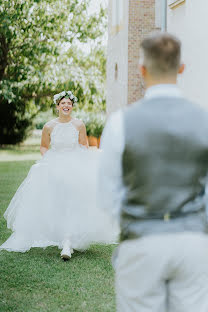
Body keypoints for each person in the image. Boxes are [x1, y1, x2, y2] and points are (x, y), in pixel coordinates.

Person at [99, 32, 208, 311]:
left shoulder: (120, 123)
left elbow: (107, 193)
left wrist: (133, 223)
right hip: (194, 245)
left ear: (141, 69)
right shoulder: (204, 121)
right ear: (181, 68)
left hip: (141, 242)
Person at [0, 90, 118, 260]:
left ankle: (67, 242)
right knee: (58, 203)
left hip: (74, 167)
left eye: (69, 103)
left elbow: (84, 145)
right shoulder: (49, 126)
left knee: (73, 202)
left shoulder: (79, 125)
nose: (66, 106)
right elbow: (43, 147)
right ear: (57, 106)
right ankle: (63, 237)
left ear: (72, 107)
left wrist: (81, 161)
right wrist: (49, 159)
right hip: (54, 166)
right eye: (63, 103)